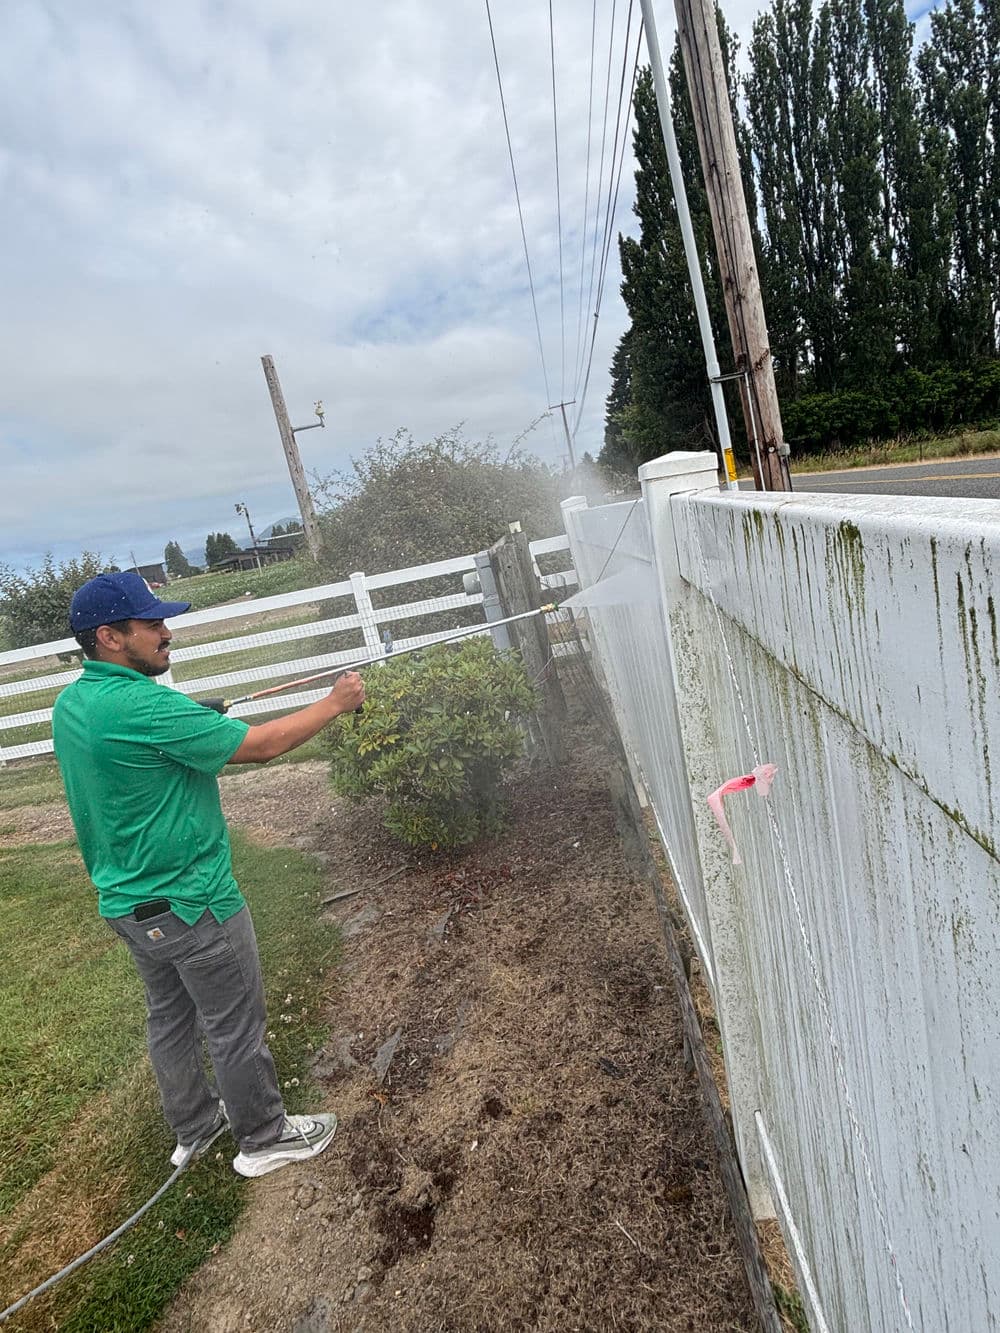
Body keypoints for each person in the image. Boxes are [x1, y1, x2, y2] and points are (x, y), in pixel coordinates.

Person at [51, 571, 365, 1178]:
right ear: (111, 638)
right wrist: (334, 703)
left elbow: (134, 739)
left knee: (169, 1016)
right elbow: (261, 746)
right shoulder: (145, 706)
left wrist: (189, 715)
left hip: (128, 907)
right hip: (193, 905)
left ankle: (195, 1126)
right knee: (234, 1022)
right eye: (152, 625)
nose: (167, 632)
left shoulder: (76, 703)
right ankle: (264, 1138)